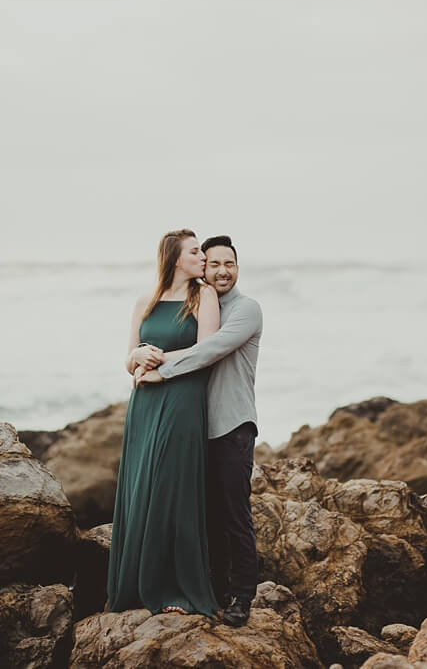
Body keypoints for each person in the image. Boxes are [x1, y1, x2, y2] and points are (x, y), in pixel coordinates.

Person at [134, 235, 264, 623]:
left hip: (231, 424)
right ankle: (213, 587)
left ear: (238, 268)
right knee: (200, 513)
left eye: (230, 264)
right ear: (203, 268)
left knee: (233, 513)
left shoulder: (246, 310)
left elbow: (210, 349)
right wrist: (136, 355)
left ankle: (242, 596)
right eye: (215, 264)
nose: (223, 271)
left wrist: (158, 369)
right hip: (193, 426)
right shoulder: (196, 305)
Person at [107, 229, 221, 616]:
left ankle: (176, 589)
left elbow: (208, 350)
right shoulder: (147, 300)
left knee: (174, 486)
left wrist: (161, 361)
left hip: (183, 398)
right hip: (144, 402)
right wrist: (139, 353)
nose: (202, 257)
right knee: (142, 486)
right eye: (194, 251)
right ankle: (135, 584)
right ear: (175, 258)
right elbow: (127, 360)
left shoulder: (203, 296)